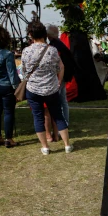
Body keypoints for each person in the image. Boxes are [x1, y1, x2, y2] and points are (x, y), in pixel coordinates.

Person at [21, 20, 73, 155]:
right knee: (58, 115)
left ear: (31, 35)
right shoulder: (52, 50)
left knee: (38, 117)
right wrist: (59, 81)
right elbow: (61, 67)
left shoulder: (26, 51)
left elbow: (24, 71)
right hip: (51, 88)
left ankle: (45, 147)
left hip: (33, 89)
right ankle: (67, 144)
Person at [46, 24, 76, 125]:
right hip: (65, 75)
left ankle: (60, 123)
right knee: (63, 100)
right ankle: (65, 121)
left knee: (58, 101)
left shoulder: (54, 46)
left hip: (59, 76)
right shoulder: (60, 44)